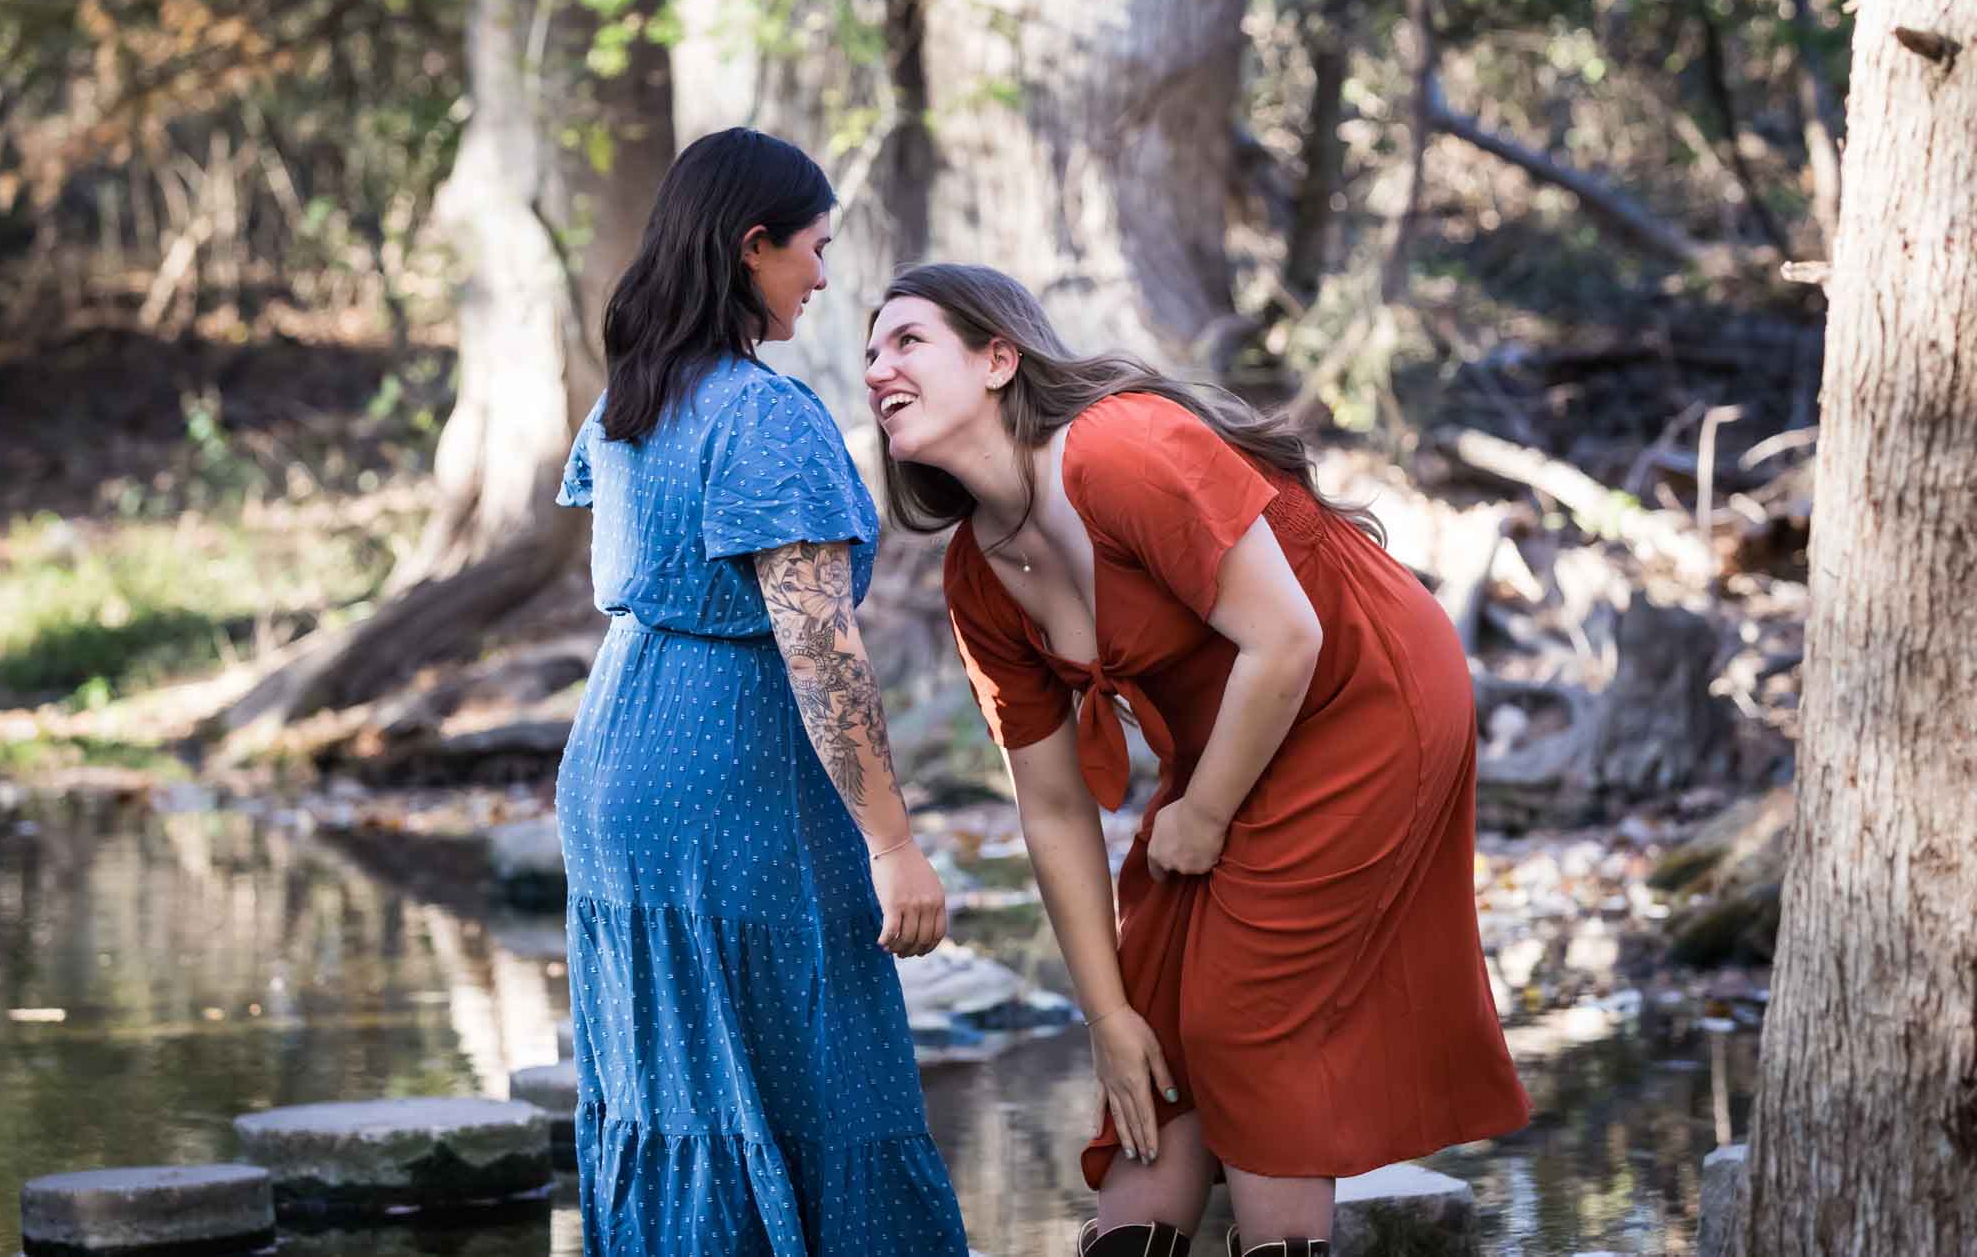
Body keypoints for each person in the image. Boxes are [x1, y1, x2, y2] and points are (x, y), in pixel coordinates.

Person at [863, 263, 1530, 1257]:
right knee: (1152, 1020)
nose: (877, 367)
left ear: (999, 358)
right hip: (1238, 733)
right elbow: (1049, 806)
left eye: (905, 340)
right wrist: (1101, 1015)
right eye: (868, 352)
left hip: (1364, 695)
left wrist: (1204, 813)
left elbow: (1288, 640)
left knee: (1244, 1017)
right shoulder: (977, 576)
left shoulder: (1119, 451)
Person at [554, 130, 967, 1255]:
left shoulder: (633, 398)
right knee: (822, 1080)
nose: (823, 279)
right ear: (751, 247)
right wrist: (892, 843)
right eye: (814, 251)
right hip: (729, 782)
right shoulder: (762, 416)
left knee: (672, 1091)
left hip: (612, 770)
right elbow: (819, 649)